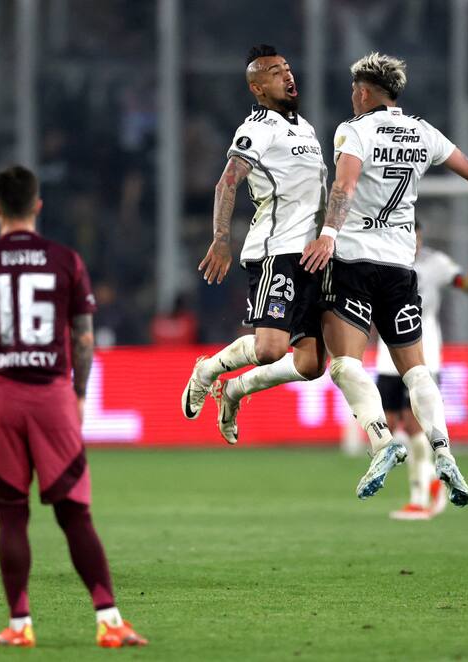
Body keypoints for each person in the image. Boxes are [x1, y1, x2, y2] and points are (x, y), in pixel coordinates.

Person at [299, 52, 468, 502]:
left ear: (364, 92)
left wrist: (327, 234)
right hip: (399, 266)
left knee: (345, 363)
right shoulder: (423, 132)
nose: (352, 96)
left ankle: (381, 442)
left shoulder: (353, 130)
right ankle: (444, 450)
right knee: (417, 371)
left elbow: (344, 186)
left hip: (354, 261)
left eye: (354, 89)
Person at [0, 166, 147, 648]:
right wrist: (79, 394)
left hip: (0, 398)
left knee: (11, 516)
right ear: (37, 206)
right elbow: (84, 339)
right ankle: (110, 621)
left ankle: (19, 625)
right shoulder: (66, 260)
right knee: (75, 515)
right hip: (52, 395)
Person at [181, 44, 328, 444]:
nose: (288, 75)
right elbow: (227, 182)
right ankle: (208, 370)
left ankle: (234, 390)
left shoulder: (305, 127)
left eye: (287, 68)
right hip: (276, 251)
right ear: (257, 88)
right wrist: (221, 238)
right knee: (270, 350)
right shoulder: (257, 128)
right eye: (276, 73)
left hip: (312, 255)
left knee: (312, 364)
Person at [382, 231, 468, 521]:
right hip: (388, 355)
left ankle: (420, 498)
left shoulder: (434, 262)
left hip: (424, 354)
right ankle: (432, 479)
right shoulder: (383, 256)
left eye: (417, 238)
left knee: (415, 424)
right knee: (387, 428)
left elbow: (464, 284)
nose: (414, 243)